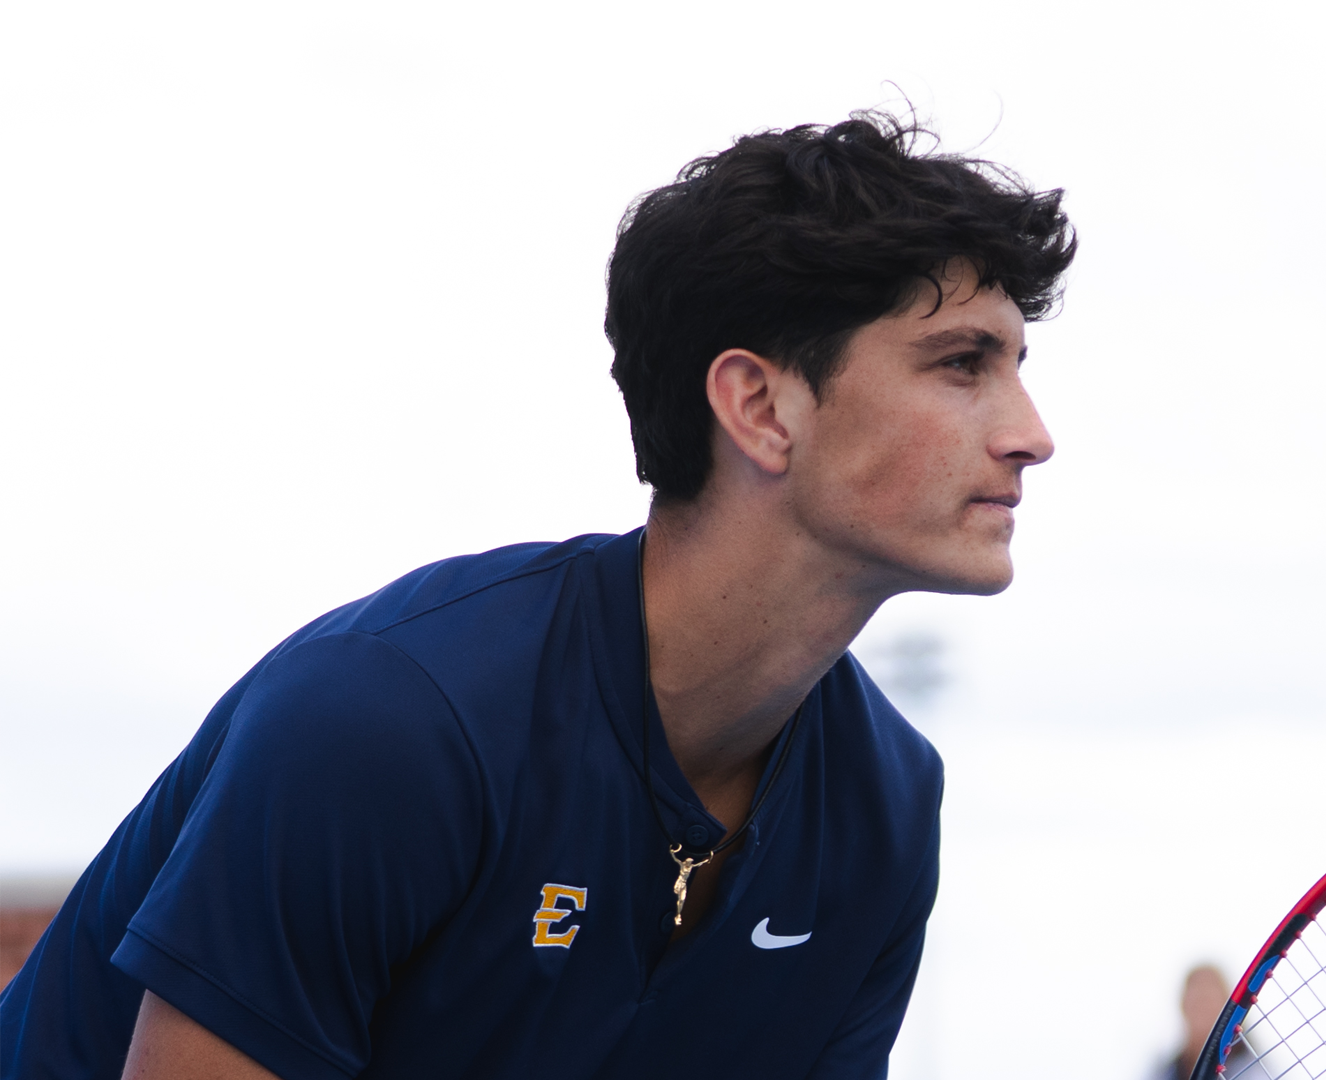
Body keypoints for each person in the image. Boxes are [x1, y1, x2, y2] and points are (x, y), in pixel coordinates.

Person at [0, 111, 1074, 1078]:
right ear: (760, 405)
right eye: (962, 363)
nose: (1031, 434)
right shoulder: (390, 720)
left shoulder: (885, 808)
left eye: (1017, 365)